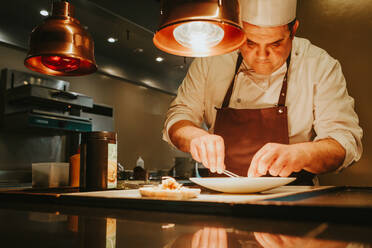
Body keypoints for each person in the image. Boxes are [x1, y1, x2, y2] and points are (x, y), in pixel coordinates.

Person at [162, 0, 363, 185]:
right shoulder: (212, 59)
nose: (261, 57)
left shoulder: (318, 65)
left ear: (293, 30)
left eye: (275, 44)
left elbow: (343, 141)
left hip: (294, 200)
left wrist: (304, 153)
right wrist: (195, 137)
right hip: (221, 197)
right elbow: (179, 116)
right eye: (249, 43)